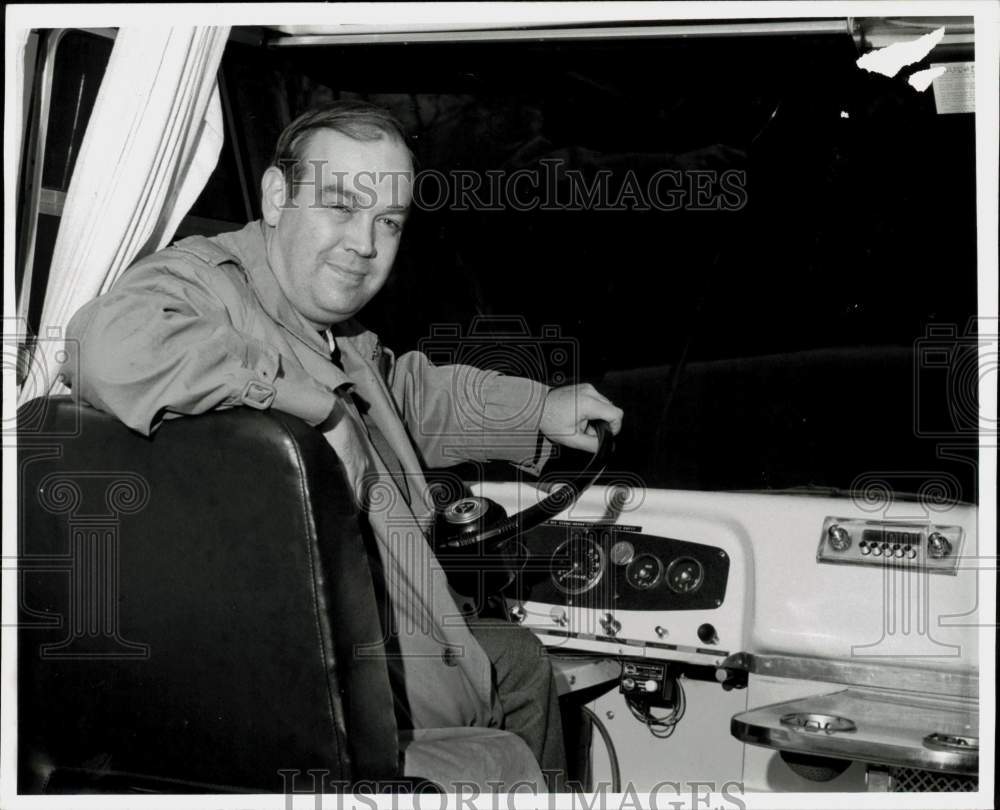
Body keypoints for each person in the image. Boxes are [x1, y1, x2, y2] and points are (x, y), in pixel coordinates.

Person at [61, 101, 623, 790]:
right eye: (340, 206)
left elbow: (405, 397)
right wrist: (312, 407)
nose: (364, 243)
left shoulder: (331, 330)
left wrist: (540, 408)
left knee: (518, 660)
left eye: (387, 222)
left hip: (363, 634)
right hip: (289, 677)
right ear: (276, 197)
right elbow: (103, 344)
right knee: (500, 751)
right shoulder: (209, 284)